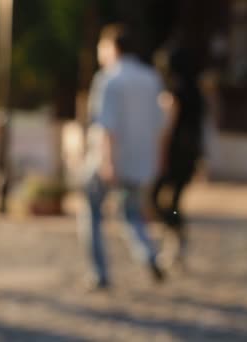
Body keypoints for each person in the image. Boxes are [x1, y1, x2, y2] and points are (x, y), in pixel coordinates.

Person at [79, 24, 167, 291]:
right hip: (140, 162)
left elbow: (107, 126)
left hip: (110, 162)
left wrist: (107, 162)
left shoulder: (109, 79)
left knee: (92, 211)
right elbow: (159, 123)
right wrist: (159, 158)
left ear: (111, 47)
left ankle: (99, 273)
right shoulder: (151, 78)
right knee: (131, 213)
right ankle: (149, 254)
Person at [150, 47, 205, 268]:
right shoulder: (197, 92)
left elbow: (167, 129)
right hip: (190, 154)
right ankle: (176, 237)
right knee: (175, 200)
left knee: (156, 198)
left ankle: (176, 232)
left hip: (174, 154)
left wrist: (160, 155)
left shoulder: (173, 94)